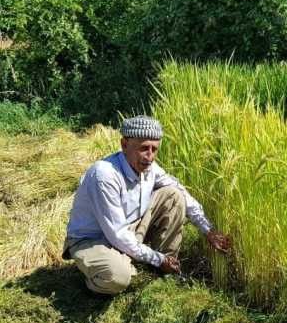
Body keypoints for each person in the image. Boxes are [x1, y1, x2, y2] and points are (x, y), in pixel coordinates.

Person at [62, 115, 231, 294]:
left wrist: (208, 230)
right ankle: (94, 281)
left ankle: (165, 266)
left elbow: (179, 190)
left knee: (174, 195)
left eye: (154, 149)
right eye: (144, 148)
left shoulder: (149, 167)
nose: (150, 156)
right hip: (94, 240)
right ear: (124, 145)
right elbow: (117, 233)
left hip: (129, 229)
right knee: (117, 278)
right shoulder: (105, 175)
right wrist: (157, 258)